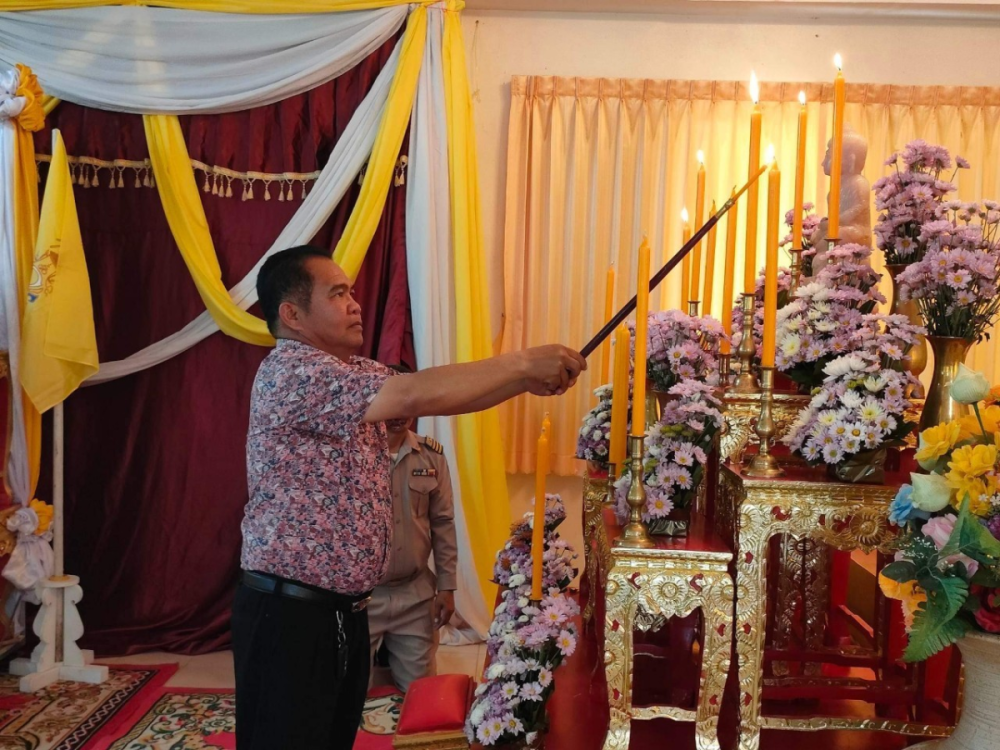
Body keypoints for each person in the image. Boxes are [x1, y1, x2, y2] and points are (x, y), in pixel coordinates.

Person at [232, 246, 585, 749]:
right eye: (337, 294)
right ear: (292, 314)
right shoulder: (293, 372)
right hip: (290, 615)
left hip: (343, 611)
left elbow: (442, 393)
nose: (354, 304)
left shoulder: (354, 374)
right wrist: (524, 362)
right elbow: (417, 394)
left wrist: (524, 381)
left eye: (352, 292)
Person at [369, 375, 456, 692]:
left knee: (421, 695)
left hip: (414, 594)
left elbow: (443, 523)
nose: (400, 411)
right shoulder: (352, 456)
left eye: (407, 401)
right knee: (343, 699)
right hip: (361, 599)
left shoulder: (431, 456)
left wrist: (447, 586)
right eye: (393, 400)